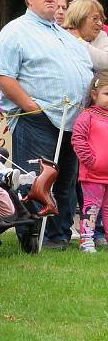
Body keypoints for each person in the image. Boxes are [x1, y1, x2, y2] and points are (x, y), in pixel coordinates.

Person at [0, 0, 92, 249]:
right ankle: (34, 237)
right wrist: (30, 106)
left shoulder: (64, 34)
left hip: (73, 120)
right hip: (38, 118)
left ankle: (58, 236)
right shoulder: (16, 30)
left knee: (66, 181)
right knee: (37, 181)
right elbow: (2, 74)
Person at [71, 72, 108, 253]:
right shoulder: (87, 116)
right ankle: (86, 240)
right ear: (94, 94)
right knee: (91, 207)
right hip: (93, 174)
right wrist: (91, 161)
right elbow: (78, 139)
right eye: (107, 94)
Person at [62, 0, 108, 71]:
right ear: (78, 18)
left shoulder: (100, 35)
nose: (100, 24)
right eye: (95, 18)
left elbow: (105, 62)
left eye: (101, 19)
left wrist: (79, 41)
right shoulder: (60, 36)